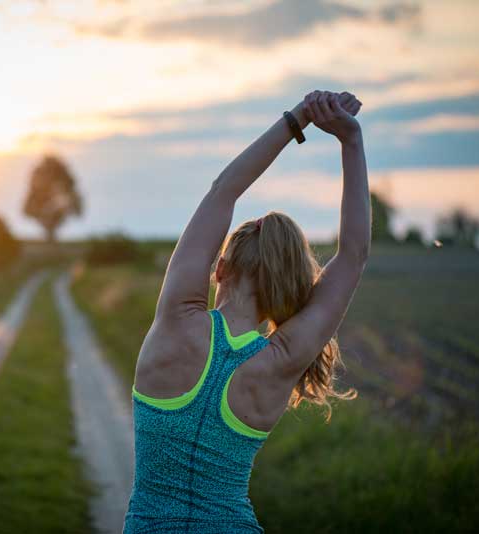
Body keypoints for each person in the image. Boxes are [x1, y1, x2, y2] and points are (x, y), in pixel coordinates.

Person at [123, 89, 370, 533]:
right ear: (284, 293)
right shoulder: (281, 358)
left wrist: (297, 120)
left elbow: (225, 190)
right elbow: (352, 255)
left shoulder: (178, 319)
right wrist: (350, 141)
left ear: (220, 269)